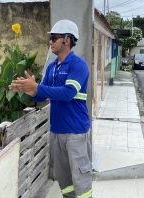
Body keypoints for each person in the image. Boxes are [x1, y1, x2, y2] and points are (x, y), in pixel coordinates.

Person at [9, 19, 92, 198]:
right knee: (65, 181)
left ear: (67, 40)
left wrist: (37, 87)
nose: (50, 42)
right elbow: (41, 96)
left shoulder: (78, 65)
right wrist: (28, 89)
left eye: (54, 38)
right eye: (50, 38)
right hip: (56, 132)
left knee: (81, 182)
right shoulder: (52, 67)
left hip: (75, 133)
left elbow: (68, 93)